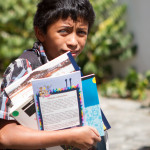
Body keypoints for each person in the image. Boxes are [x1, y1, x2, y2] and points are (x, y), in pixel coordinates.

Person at [0, 0, 103, 149]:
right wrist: (71, 137)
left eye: (81, 32)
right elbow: (4, 135)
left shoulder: (70, 66)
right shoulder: (23, 67)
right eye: (64, 31)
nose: (73, 41)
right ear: (40, 33)